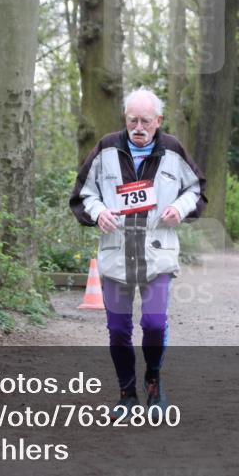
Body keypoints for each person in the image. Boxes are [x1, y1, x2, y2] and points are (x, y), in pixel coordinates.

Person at [70, 88, 206, 414]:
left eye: (145, 121)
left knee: (154, 323)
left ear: (158, 120)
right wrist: (98, 212)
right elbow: (83, 193)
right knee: (118, 330)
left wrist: (179, 208)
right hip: (116, 254)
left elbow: (196, 189)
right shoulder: (106, 148)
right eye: (133, 120)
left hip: (158, 254)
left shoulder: (173, 150)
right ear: (125, 118)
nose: (139, 127)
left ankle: (154, 381)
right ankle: (127, 394)